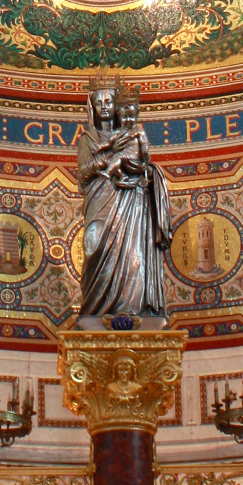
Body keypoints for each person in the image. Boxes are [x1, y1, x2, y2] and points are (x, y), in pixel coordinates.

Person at [77, 81, 171, 321]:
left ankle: (130, 309)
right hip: (99, 199)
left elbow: (143, 162)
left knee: (132, 257)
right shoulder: (87, 140)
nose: (104, 107)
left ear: (117, 106)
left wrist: (143, 170)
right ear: (92, 108)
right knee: (92, 245)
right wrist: (109, 155)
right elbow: (84, 172)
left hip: (131, 200)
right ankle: (95, 309)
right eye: (98, 103)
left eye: (108, 101)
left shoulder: (132, 133)